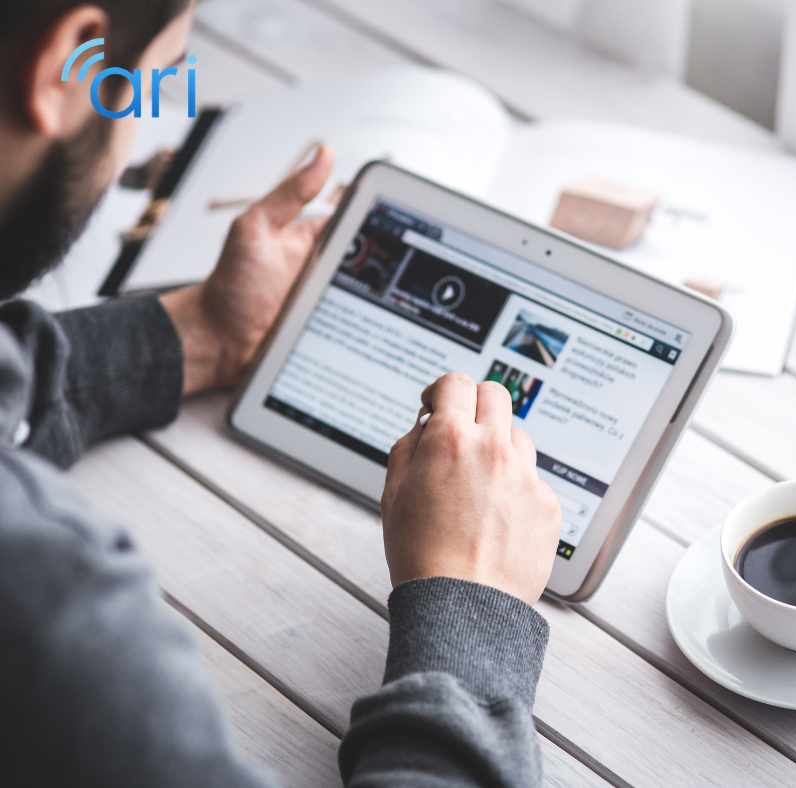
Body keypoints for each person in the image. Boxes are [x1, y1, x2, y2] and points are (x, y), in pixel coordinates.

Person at [0, 2, 563, 786]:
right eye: (155, 86)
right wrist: (470, 608)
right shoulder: (49, 610)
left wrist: (198, 334)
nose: (147, 125)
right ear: (70, 65)